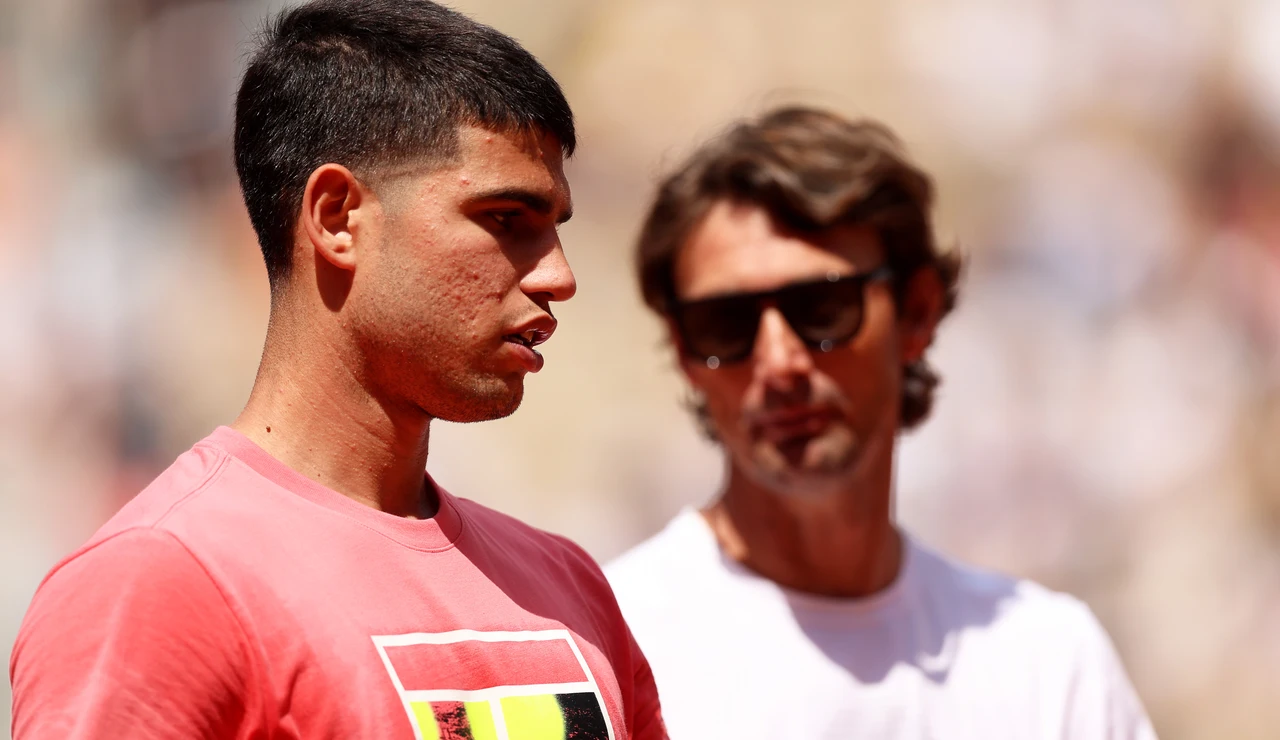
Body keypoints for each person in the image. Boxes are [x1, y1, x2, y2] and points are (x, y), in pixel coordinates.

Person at [9, 2, 665, 738]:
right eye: (506, 219)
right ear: (336, 217)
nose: (559, 277)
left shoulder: (568, 586)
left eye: (554, 229)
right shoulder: (164, 580)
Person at [605, 106, 1156, 739]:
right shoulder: (611, 645)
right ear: (683, 350)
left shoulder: (1049, 665)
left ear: (915, 313)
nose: (779, 361)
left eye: (822, 308)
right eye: (724, 324)